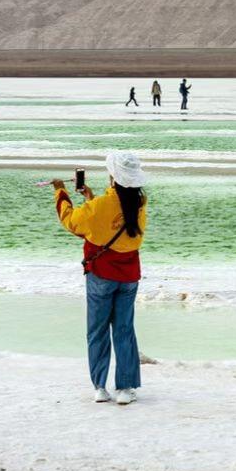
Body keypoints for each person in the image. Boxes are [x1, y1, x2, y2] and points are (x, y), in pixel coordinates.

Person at [51, 152, 148, 405]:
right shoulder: (140, 202)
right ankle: (125, 388)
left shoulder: (98, 207)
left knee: (97, 331)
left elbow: (72, 222)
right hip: (129, 276)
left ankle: (100, 387)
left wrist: (61, 192)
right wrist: (90, 197)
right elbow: (117, 224)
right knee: (124, 330)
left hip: (101, 275)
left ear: (113, 176)